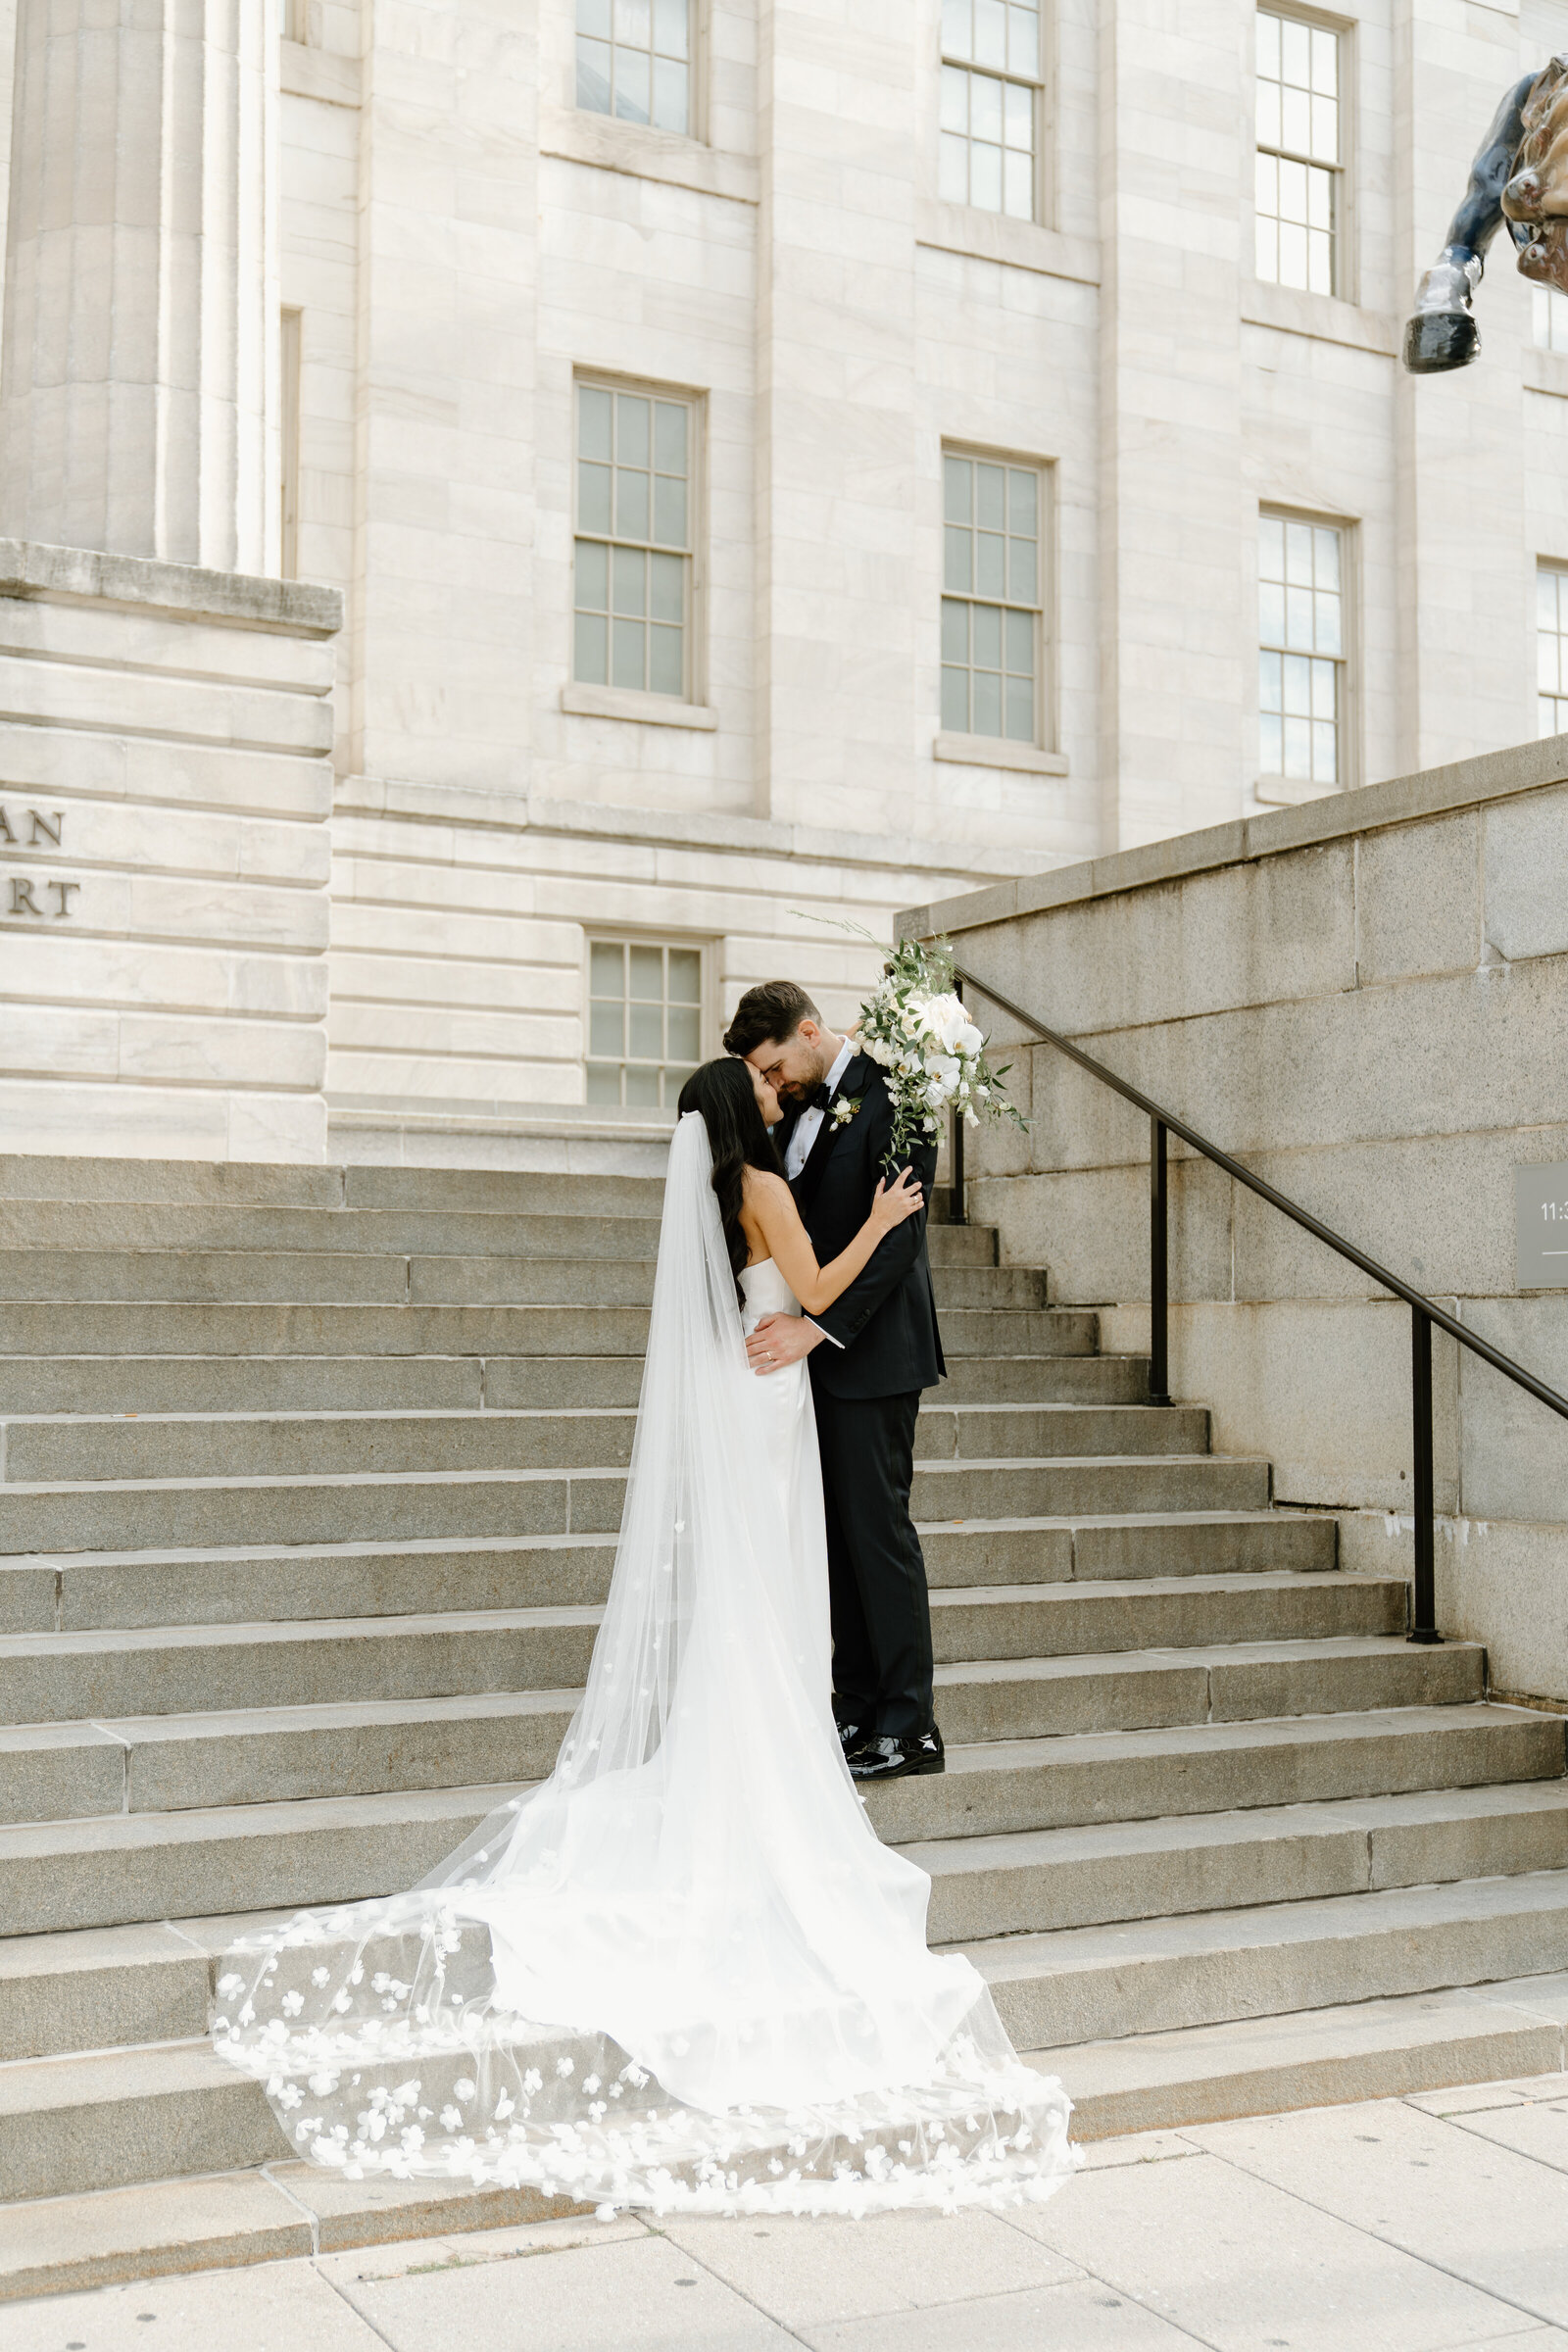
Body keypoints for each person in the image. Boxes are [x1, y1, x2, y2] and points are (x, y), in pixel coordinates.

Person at [207, 1059, 1076, 2219]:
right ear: (741, 1108)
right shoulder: (762, 1185)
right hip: (773, 1400)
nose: (774, 1099)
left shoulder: (714, 1196)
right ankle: (786, 1749)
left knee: (754, 1604)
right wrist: (876, 1220)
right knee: (778, 1598)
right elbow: (814, 1289)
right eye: (761, 1088)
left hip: (745, 1388)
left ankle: (777, 1730)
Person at [723, 980, 945, 1785]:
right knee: (837, 1542)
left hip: (874, 1354)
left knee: (879, 1536)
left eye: (777, 1067)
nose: (774, 1086)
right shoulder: (792, 1108)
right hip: (809, 1363)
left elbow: (899, 1238)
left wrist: (815, 1327)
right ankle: (854, 1707)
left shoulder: (900, 1095)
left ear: (811, 1033)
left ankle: (909, 1723)